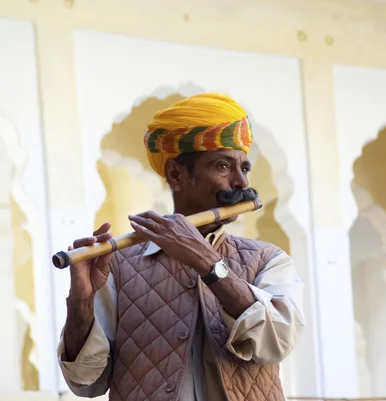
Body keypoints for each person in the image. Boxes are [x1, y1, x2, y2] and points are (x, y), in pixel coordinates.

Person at [57, 93, 305, 401]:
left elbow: (277, 340)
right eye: (224, 166)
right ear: (176, 174)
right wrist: (80, 301)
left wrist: (207, 263)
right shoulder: (118, 266)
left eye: (244, 168)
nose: (241, 182)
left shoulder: (270, 260)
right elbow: (85, 383)